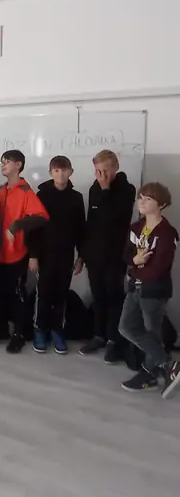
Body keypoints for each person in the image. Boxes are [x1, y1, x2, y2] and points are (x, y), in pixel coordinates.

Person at [118, 182, 180, 398]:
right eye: (140, 197)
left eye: (148, 199)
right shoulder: (136, 227)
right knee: (126, 327)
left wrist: (133, 269)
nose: (142, 202)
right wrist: (135, 261)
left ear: (161, 204)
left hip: (154, 291)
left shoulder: (167, 233)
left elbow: (159, 267)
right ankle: (169, 365)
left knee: (152, 332)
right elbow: (127, 255)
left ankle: (150, 375)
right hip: (135, 288)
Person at [0, 150, 49, 354]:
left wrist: (17, 226)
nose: (3, 165)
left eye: (7, 162)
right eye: (1, 162)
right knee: (0, 293)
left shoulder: (25, 191)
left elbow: (41, 218)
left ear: (18, 165)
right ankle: (2, 328)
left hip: (17, 253)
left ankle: (19, 334)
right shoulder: (1, 190)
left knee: (17, 296)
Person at [79, 150, 136, 363]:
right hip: (94, 255)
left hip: (114, 255)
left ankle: (114, 340)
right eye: (97, 170)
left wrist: (105, 190)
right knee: (98, 297)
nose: (101, 175)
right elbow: (91, 222)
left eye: (105, 170)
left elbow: (113, 217)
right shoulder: (94, 188)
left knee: (114, 298)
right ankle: (98, 335)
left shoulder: (127, 189)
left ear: (116, 167)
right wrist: (83, 255)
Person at [31, 155, 86, 354]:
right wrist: (33, 255)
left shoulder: (76, 197)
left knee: (61, 294)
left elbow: (81, 228)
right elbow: (34, 228)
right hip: (45, 254)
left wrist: (81, 256)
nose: (60, 174)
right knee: (44, 294)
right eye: (56, 170)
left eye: (64, 170)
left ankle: (57, 329)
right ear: (51, 173)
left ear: (71, 172)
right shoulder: (41, 196)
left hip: (66, 255)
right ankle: (40, 329)